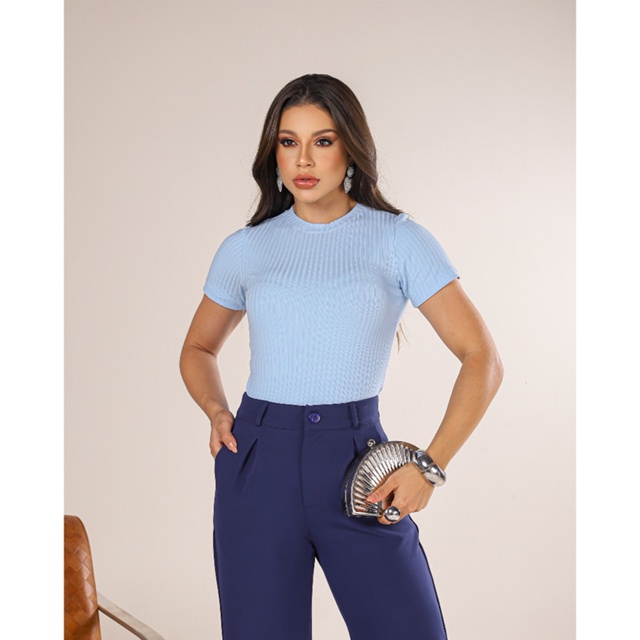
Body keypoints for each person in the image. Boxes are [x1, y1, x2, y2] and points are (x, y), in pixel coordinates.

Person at [179, 73, 503, 640]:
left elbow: (482, 358)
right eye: (289, 141)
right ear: (274, 152)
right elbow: (198, 347)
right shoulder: (247, 248)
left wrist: (429, 466)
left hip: (358, 464)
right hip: (257, 463)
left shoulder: (398, 239)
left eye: (322, 141)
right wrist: (215, 409)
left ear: (350, 148)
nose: (303, 159)